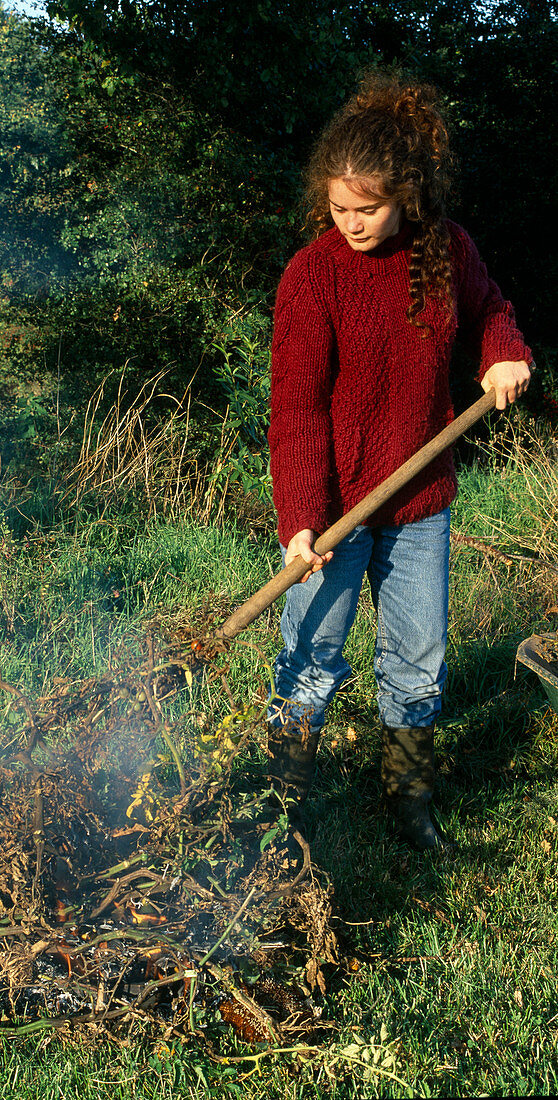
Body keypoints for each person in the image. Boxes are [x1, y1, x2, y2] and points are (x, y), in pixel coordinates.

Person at [266, 74, 532, 851]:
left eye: (368, 209)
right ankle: (284, 808)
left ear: (406, 195)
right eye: (339, 209)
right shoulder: (312, 276)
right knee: (311, 652)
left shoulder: (446, 252)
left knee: (418, 658)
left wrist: (505, 355)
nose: (350, 223)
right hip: (334, 515)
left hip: (421, 503)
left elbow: (492, 313)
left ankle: (410, 804)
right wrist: (301, 523)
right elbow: (297, 411)